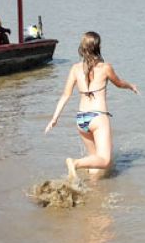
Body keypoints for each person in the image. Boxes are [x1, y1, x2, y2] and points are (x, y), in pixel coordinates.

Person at [45, 31, 139, 180]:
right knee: (105, 160)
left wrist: (54, 118)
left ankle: (94, 191)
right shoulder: (105, 67)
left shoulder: (75, 68)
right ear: (98, 46)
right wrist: (131, 86)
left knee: (94, 159)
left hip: (81, 119)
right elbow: (119, 84)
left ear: (82, 47)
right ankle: (75, 163)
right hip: (98, 118)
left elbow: (65, 95)